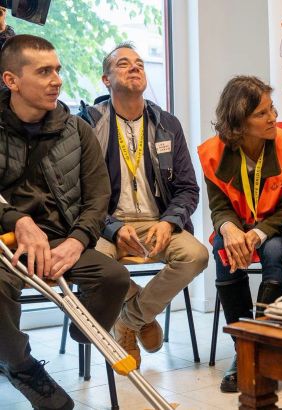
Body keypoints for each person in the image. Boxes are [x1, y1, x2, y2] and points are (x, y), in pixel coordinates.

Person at [0, 34, 130, 410]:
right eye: (44, 72)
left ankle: (83, 331)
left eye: (57, 70)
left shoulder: (77, 129)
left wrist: (77, 241)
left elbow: (98, 198)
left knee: (114, 277)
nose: (57, 80)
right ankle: (20, 366)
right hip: (6, 244)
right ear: (11, 80)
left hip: (60, 240)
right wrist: (17, 220)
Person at [78, 42, 208, 368]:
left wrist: (169, 221)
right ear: (106, 80)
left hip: (157, 222)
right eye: (123, 64)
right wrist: (112, 227)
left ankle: (129, 320)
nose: (135, 67)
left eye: (139, 63)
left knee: (196, 256)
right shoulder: (88, 124)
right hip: (105, 224)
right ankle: (143, 311)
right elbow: (79, 192)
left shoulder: (167, 124)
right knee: (91, 264)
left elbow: (188, 188)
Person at [198, 76, 282, 393]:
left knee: (274, 252)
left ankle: (264, 345)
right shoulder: (212, 153)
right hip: (238, 227)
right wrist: (229, 228)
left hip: (277, 227)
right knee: (223, 249)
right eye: (262, 113)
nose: (273, 117)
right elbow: (219, 206)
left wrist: (259, 233)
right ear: (238, 122)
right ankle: (243, 349)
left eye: (272, 108)